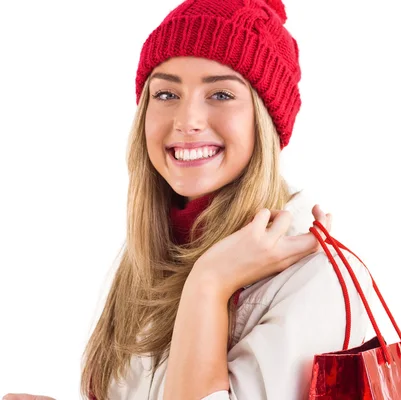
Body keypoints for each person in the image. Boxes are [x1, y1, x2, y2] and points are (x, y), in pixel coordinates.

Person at [3, 0, 372, 399]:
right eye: (166, 94)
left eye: (220, 95)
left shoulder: (314, 278)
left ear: (265, 119)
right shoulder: (153, 254)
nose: (187, 120)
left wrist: (209, 284)